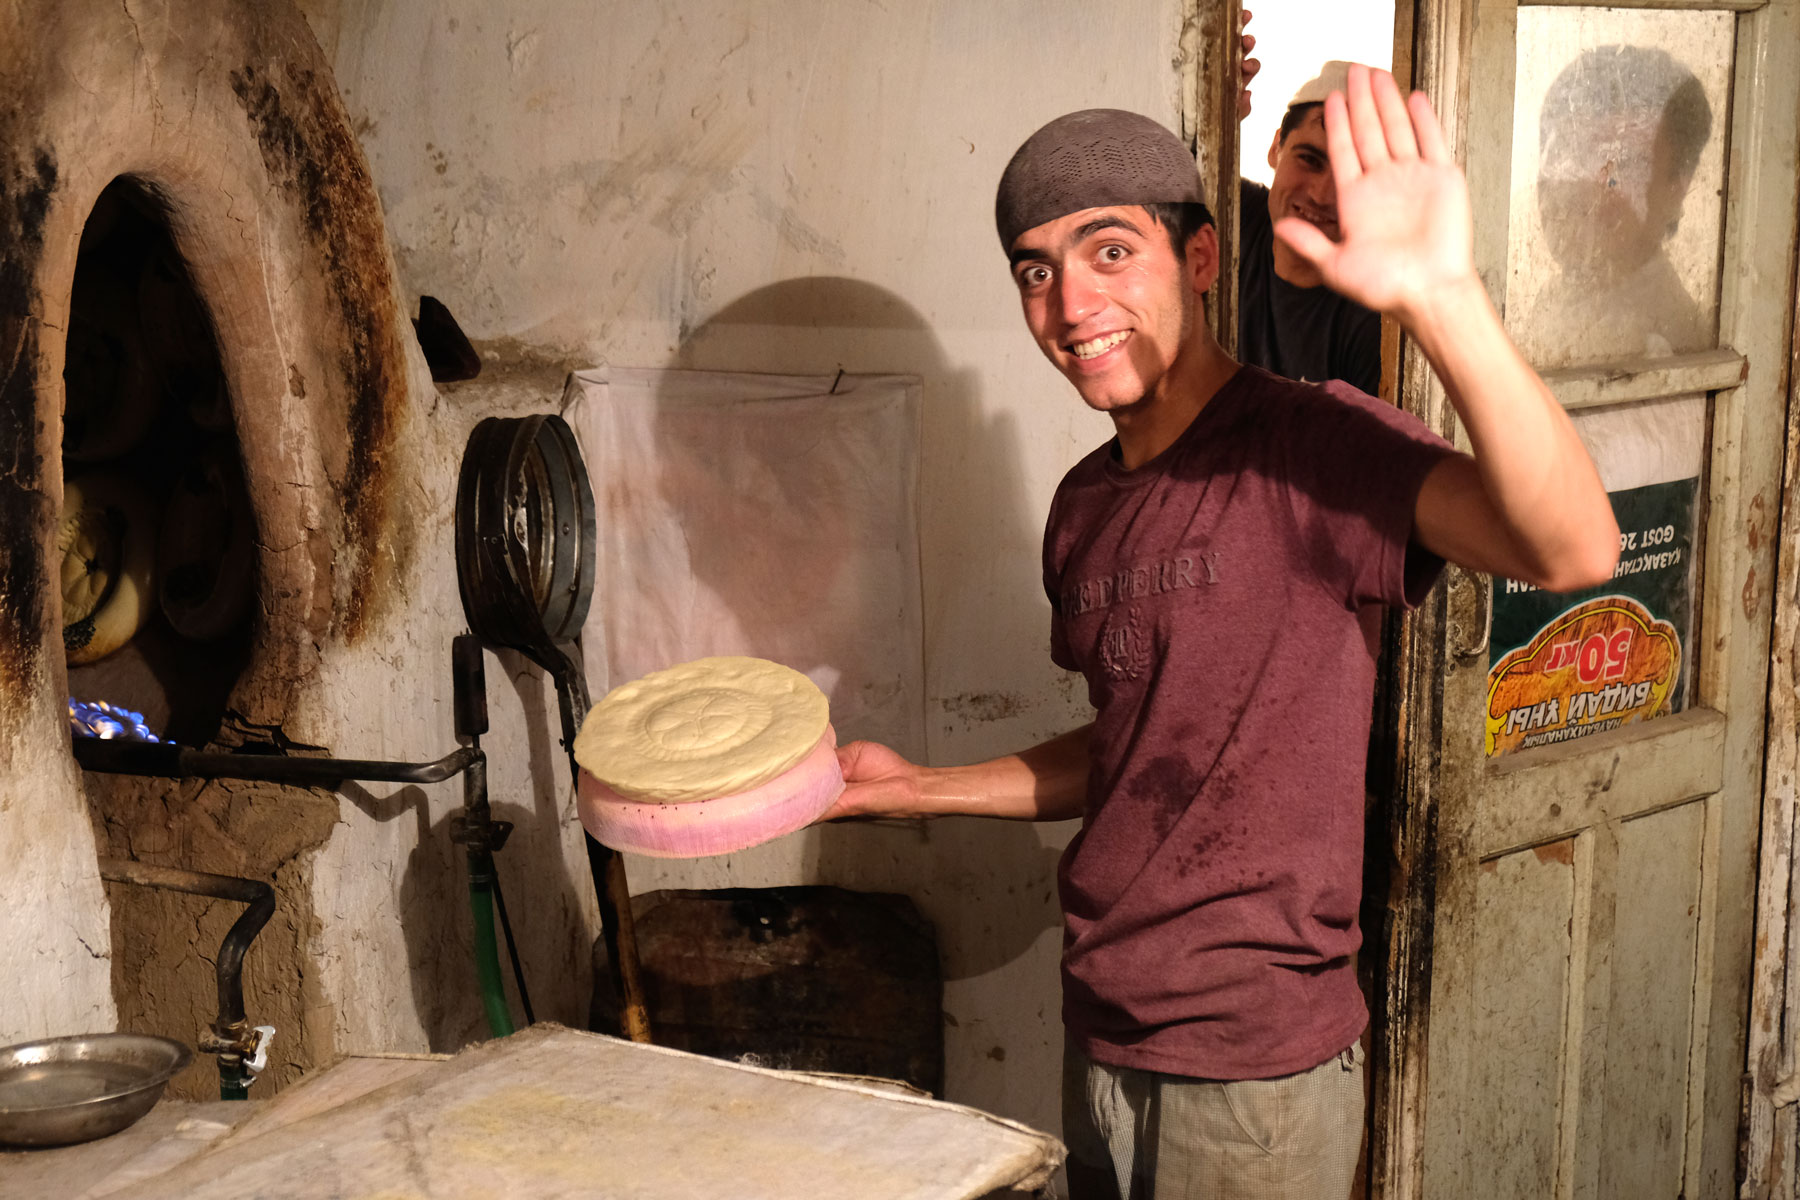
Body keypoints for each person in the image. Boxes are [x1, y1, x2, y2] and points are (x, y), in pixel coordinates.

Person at [822, 66, 1619, 1199]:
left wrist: (1443, 296)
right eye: (1036, 272)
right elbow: (1137, 749)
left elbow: (1576, 549)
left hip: (1255, 1085)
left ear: (1199, 259)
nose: (1071, 306)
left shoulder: (1313, 446)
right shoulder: (1083, 507)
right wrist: (915, 790)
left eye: (1110, 252)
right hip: (1099, 1035)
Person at [1239, 61, 1381, 395]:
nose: (1322, 195)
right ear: (1277, 148)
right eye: (1309, 160)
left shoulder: (1373, 319)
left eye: (1352, 176)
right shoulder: (1234, 214)